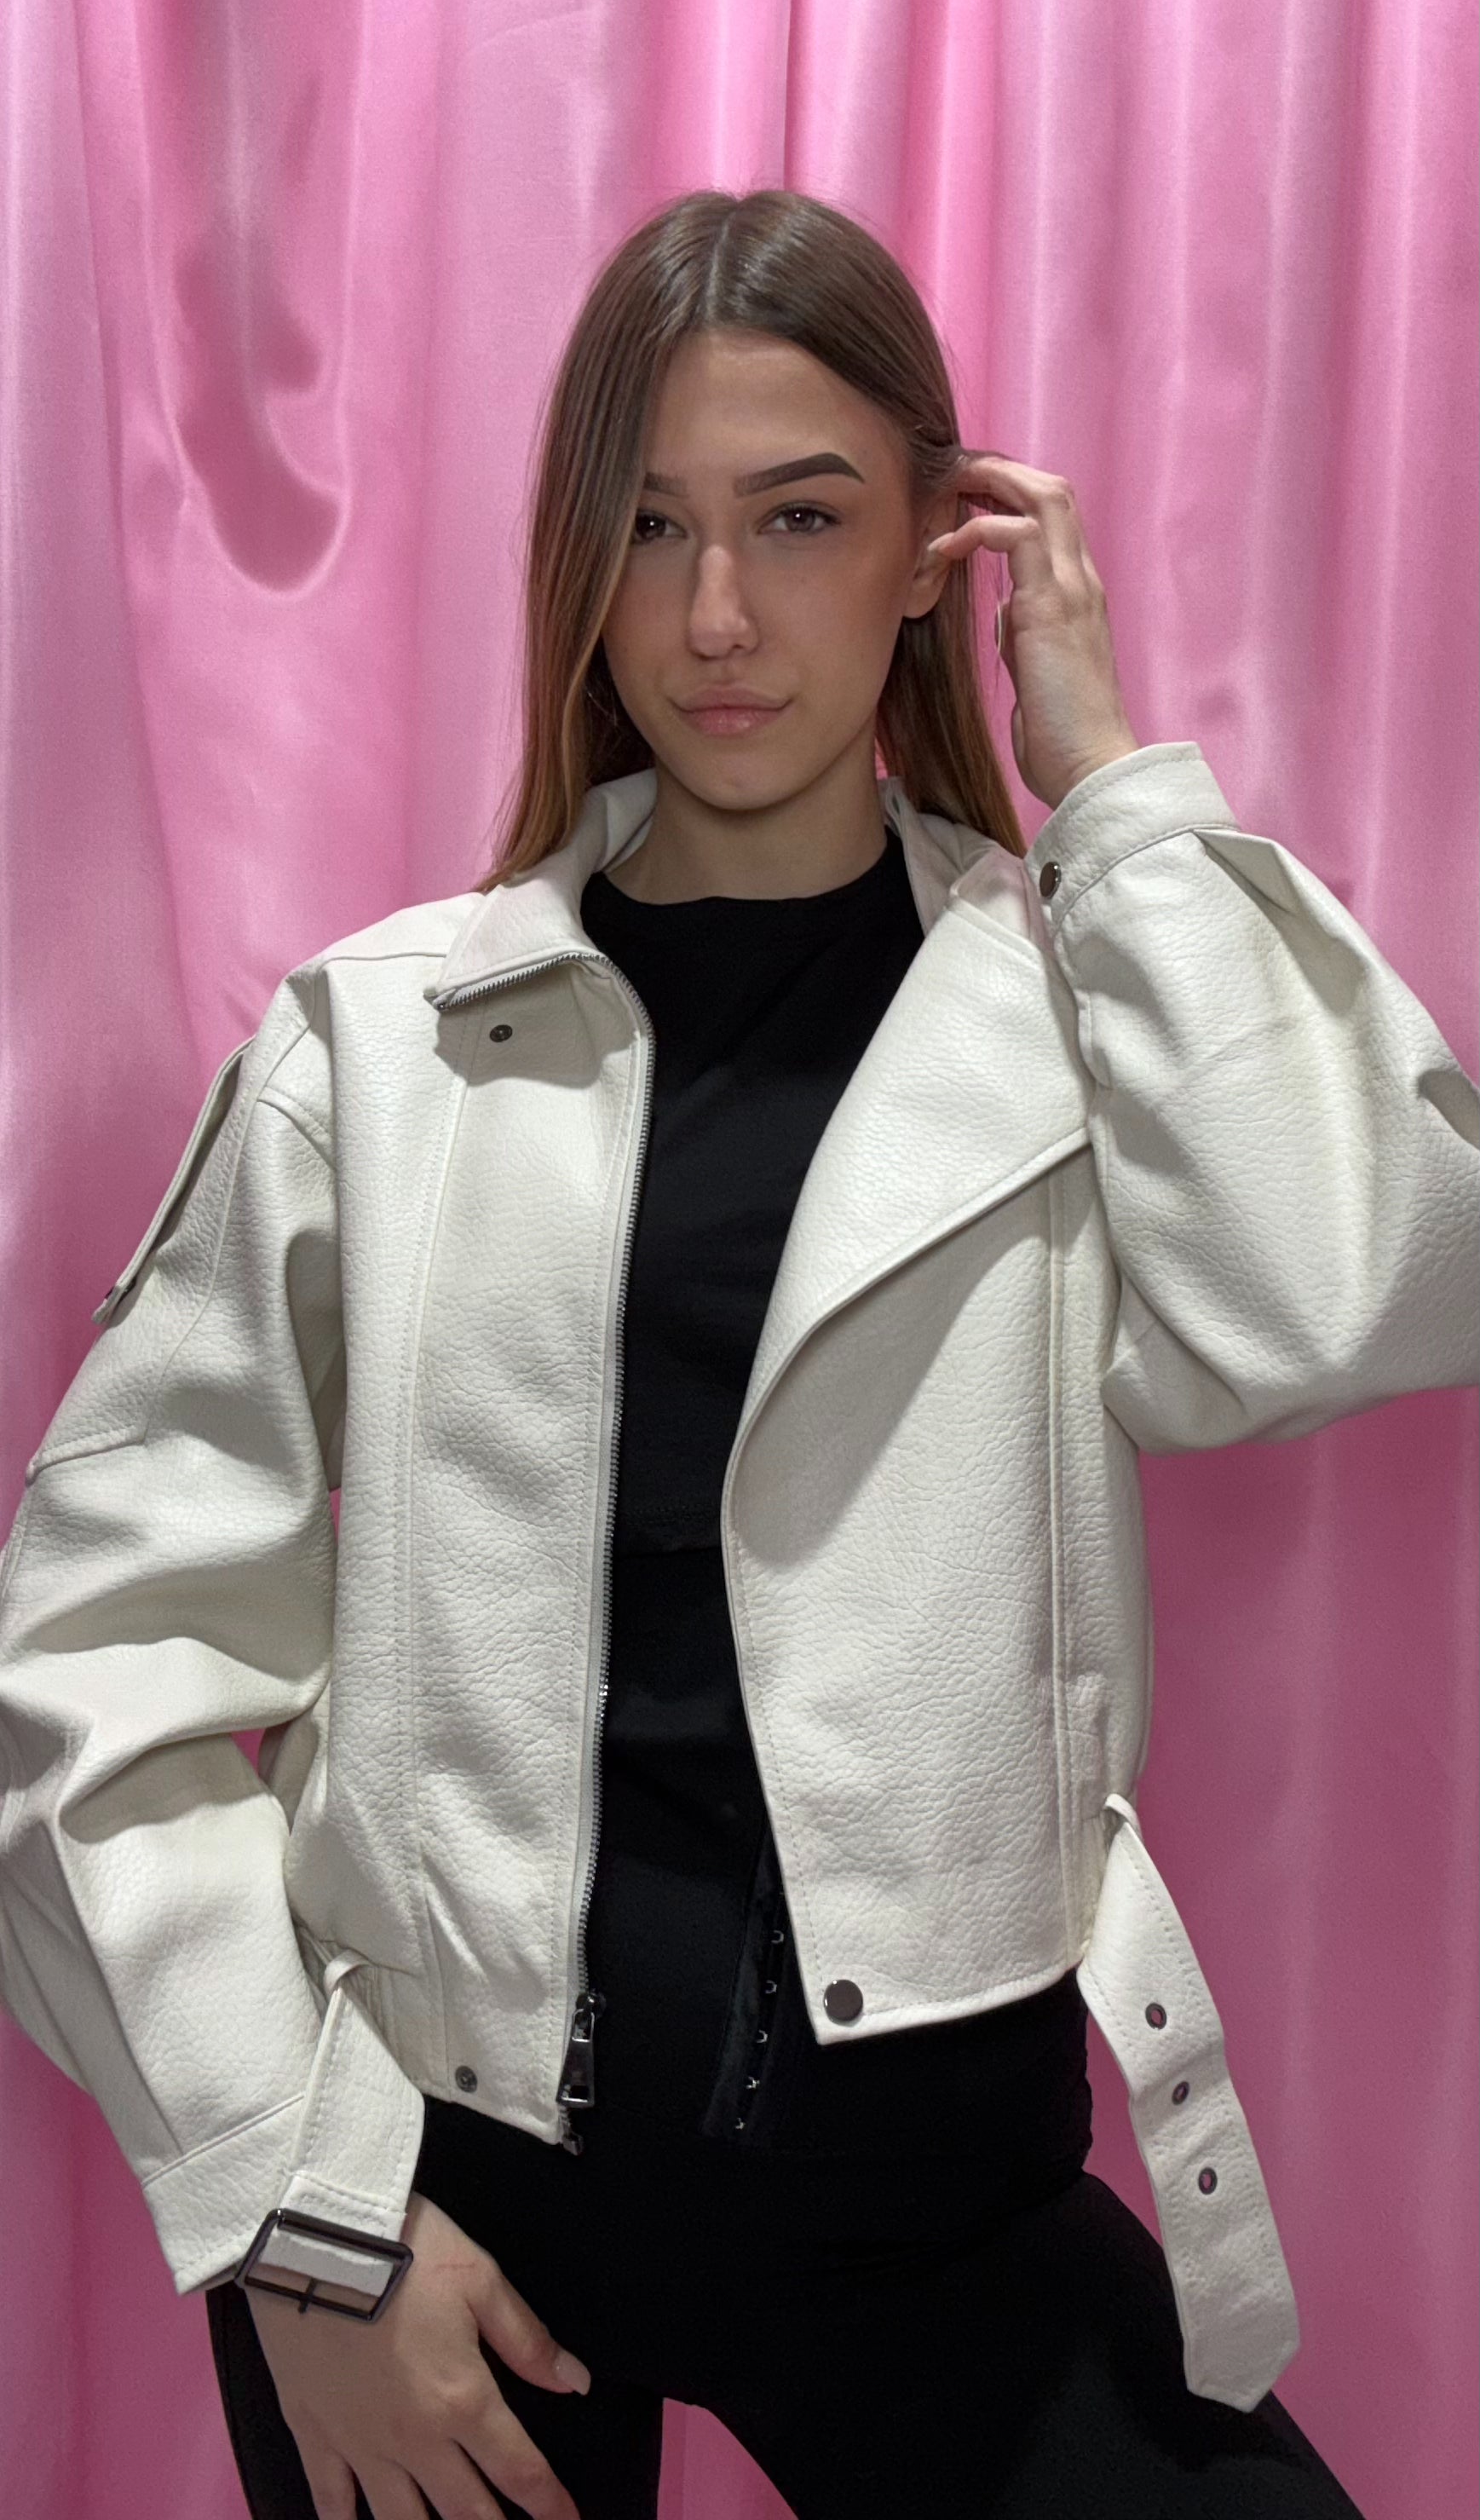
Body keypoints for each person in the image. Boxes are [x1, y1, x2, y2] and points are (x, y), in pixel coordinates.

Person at [1, 188, 1474, 2520]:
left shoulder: (1074, 1015)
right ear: (579, 566)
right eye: (652, 525)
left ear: (935, 548)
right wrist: (303, 2219)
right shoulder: (379, 1046)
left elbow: (1349, 1287)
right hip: (449, 2219)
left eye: (798, 518)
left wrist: (1111, 787)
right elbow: (93, 1663)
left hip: (938, 2186)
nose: (713, 616)